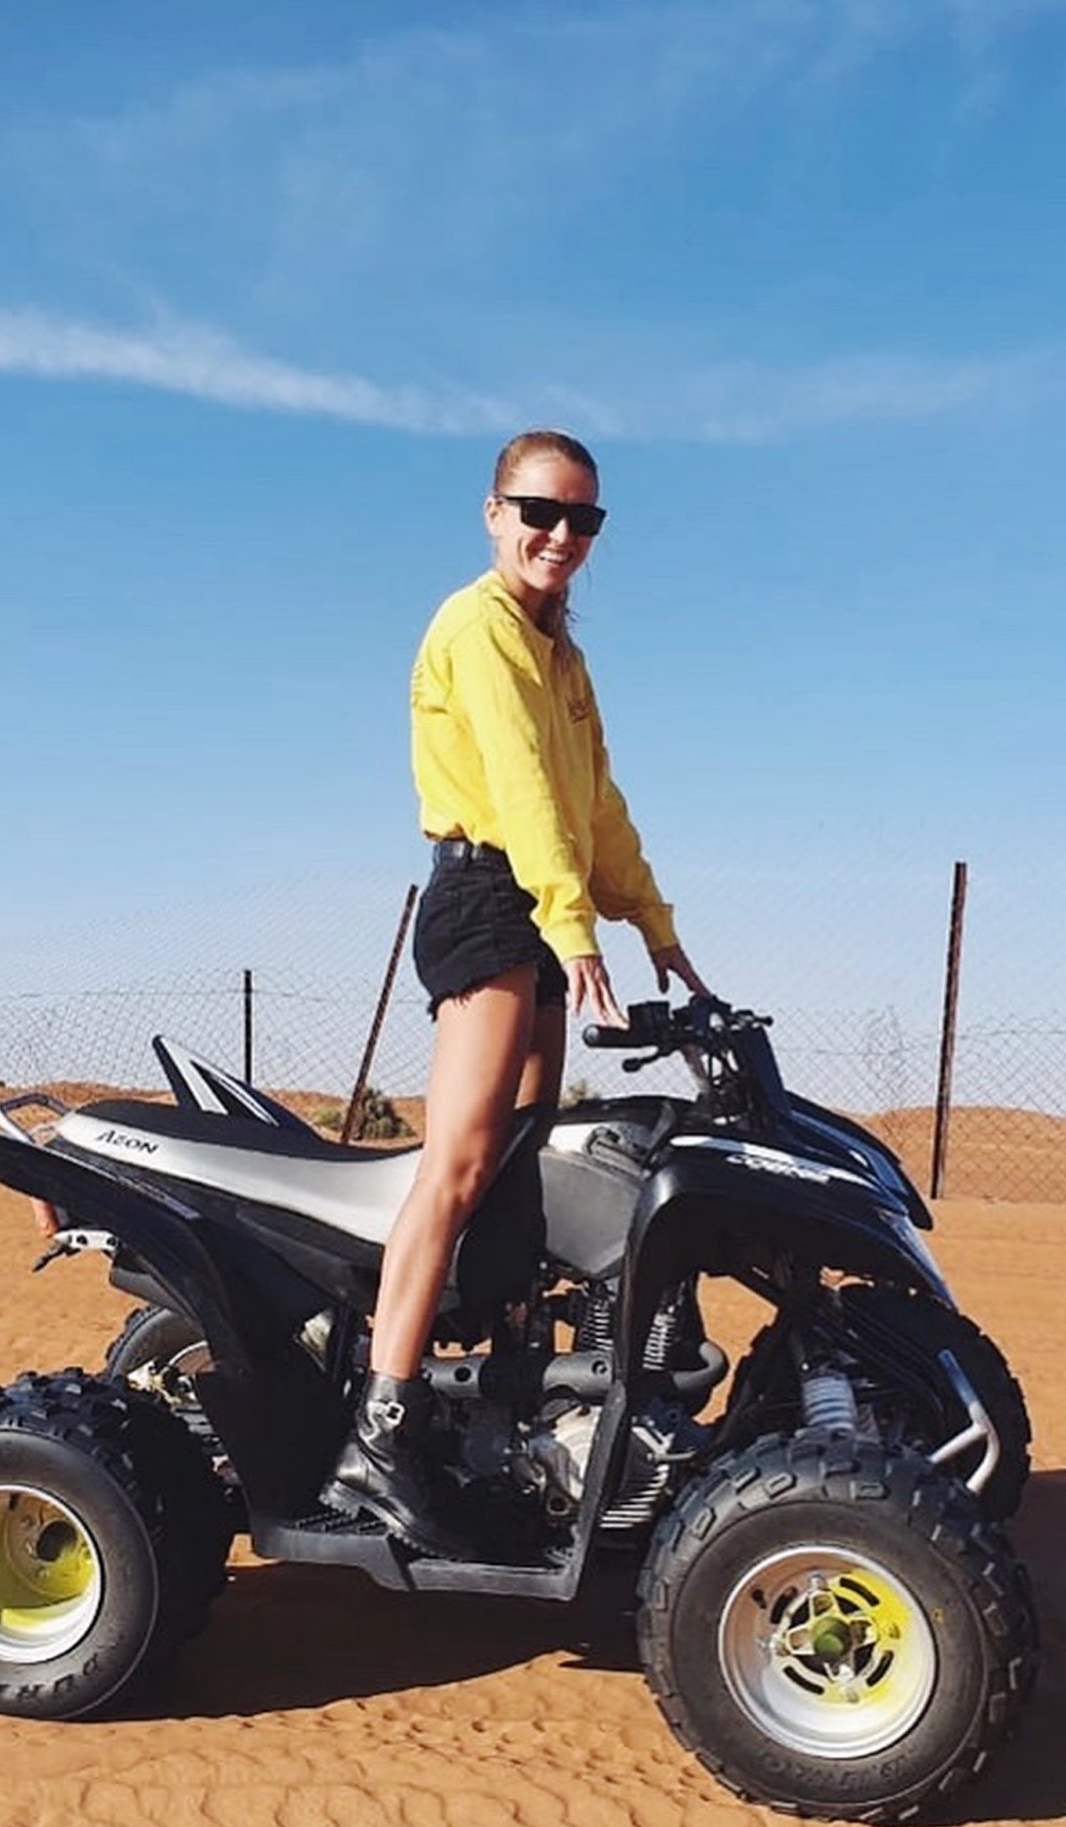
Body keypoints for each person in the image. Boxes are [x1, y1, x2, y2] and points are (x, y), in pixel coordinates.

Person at [323, 428, 705, 1548]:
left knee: (530, 1169)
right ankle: (378, 1432)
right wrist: (573, 924)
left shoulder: (565, 658)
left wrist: (655, 925)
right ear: (494, 511)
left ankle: (516, 1400)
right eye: (540, 510)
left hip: (538, 907)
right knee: (462, 1160)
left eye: (583, 519)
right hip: (491, 898)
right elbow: (525, 792)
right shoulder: (477, 628)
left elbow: (596, 806)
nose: (559, 535)